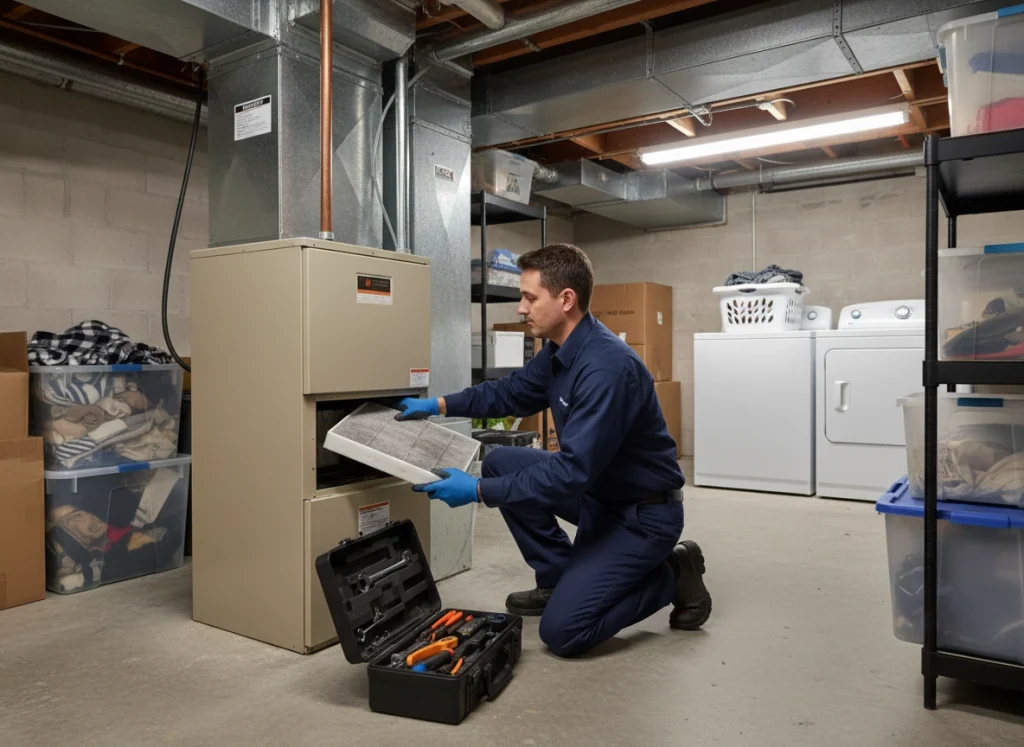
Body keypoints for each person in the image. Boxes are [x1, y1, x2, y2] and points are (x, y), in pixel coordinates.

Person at [395, 243, 711, 658]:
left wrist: (476, 493)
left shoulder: (605, 368)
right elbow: (510, 393)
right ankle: (558, 578)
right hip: (599, 495)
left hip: (641, 515)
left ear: (566, 300)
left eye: (529, 297)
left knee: (564, 632)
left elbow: (571, 471)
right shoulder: (560, 351)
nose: (521, 309)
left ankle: (673, 572)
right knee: (504, 462)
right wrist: (437, 405)